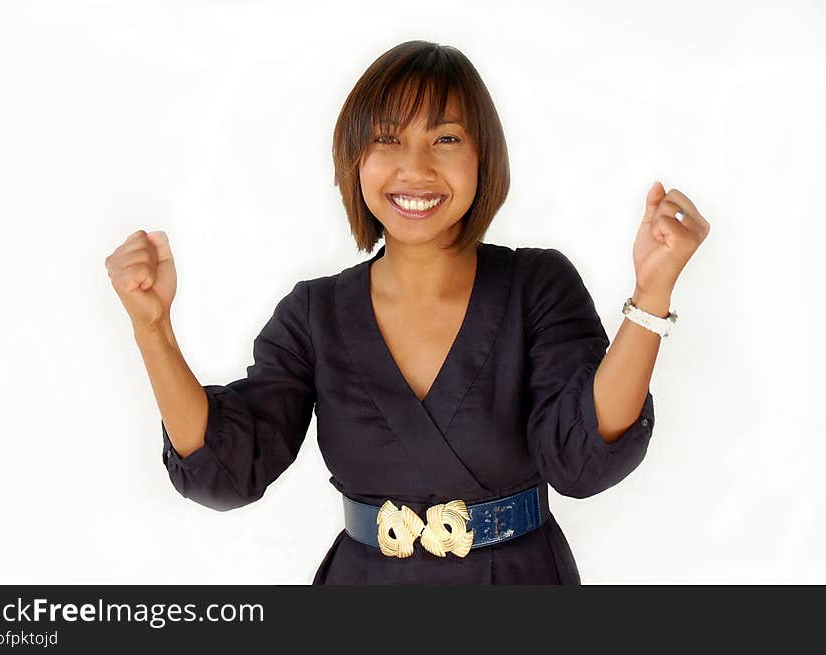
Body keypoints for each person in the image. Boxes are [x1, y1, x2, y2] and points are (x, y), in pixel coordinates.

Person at [104, 40, 709, 584]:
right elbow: (228, 469)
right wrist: (151, 327)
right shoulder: (313, 315)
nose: (415, 168)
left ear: (483, 160)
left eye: (445, 139)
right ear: (355, 159)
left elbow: (582, 459)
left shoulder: (537, 285)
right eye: (387, 139)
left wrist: (651, 295)